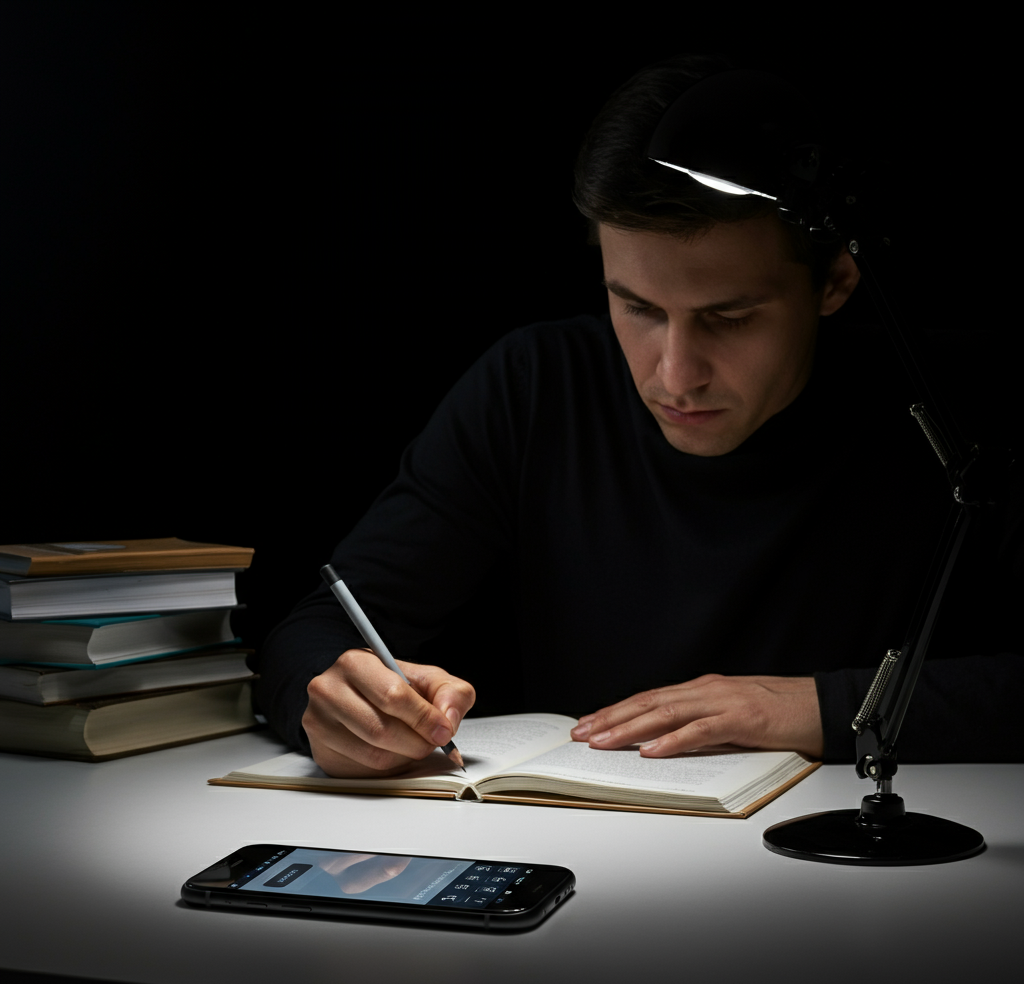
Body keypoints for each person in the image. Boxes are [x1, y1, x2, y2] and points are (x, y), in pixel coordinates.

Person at [255, 54, 1023, 778]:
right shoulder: (536, 384)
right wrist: (329, 700)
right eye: (638, 307)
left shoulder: (960, 411)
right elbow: (318, 633)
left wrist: (828, 705)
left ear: (836, 282)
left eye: (729, 317)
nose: (674, 374)